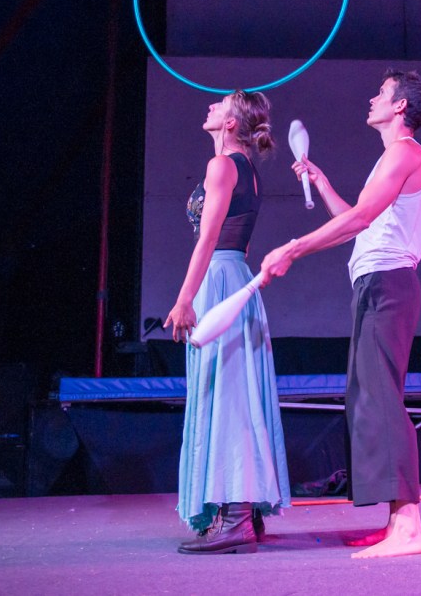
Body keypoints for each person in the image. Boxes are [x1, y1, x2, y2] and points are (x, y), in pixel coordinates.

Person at [261, 68, 421, 559]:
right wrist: (322, 183)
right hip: (375, 285)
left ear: (400, 105)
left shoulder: (405, 152)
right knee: (367, 399)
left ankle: (410, 527)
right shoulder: (391, 157)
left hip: (389, 286)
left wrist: (293, 248)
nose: (372, 98)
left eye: (381, 93)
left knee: (382, 399)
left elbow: (360, 219)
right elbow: (359, 221)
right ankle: (395, 521)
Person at [164, 90, 291, 554]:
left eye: (219, 106)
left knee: (228, 397)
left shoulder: (222, 166)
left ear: (232, 123)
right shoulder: (247, 170)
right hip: (234, 276)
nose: (210, 108)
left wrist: (184, 299)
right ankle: (243, 512)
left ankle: (235, 516)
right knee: (235, 393)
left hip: (219, 278)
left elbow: (208, 238)